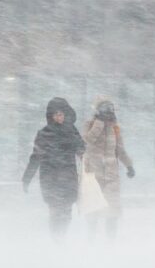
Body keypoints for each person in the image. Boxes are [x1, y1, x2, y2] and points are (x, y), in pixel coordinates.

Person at [22, 97, 85, 239]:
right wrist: (27, 177)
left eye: (61, 114)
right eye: (56, 114)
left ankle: (61, 238)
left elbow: (82, 150)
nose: (59, 117)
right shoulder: (44, 134)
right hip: (50, 178)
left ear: (65, 115)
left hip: (68, 178)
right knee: (55, 211)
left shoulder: (72, 132)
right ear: (51, 116)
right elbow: (36, 157)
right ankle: (56, 240)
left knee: (67, 212)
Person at [82, 97, 135, 239]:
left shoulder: (115, 128)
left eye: (111, 109)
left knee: (112, 210)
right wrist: (99, 122)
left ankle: (110, 242)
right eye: (106, 109)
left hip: (112, 176)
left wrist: (129, 165)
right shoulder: (90, 124)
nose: (109, 112)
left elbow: (120, 149)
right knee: (93, 209)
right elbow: (88, 140)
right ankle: (91, 240)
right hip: (93, 174)